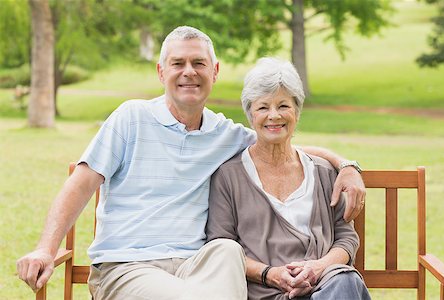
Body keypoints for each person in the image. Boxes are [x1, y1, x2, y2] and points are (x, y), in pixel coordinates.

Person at [17, 26, 365, 300]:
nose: (189, 72)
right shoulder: (131, 118)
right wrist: (46, 249)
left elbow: (281, 139)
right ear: (160, 71)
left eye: (198, 63)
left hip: (195, 267)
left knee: (226, 249)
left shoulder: (224, 134)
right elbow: (80, 184)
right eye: (178, 63)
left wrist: (346, 165)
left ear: (214, 71)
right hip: (128, 266)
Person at [206, 57, 370, 300]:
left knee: (345, 281)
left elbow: (346, 237)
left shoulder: (323, 172)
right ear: (251, 115)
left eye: (283, 106)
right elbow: (220, 246)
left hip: (326, 287)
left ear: (297, 112)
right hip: (265, 292)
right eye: (263, 107)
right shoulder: (229, 177)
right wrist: (271, 274)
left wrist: (318, 268)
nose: (274, 115)